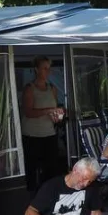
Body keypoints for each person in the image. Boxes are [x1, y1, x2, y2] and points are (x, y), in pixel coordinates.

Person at [21, 56, 65, 191]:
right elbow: (28, 112)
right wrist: (49, 110)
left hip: (49, 133)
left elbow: (54, 110)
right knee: (32, 168)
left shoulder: (52, 88)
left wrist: (57, 116)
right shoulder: (30, 88)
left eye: (49, 68)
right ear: (36, 70)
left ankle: (50, 195)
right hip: (32, 135)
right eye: (44, 68)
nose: (48, 71)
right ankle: (32, 199)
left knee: (52, 168)